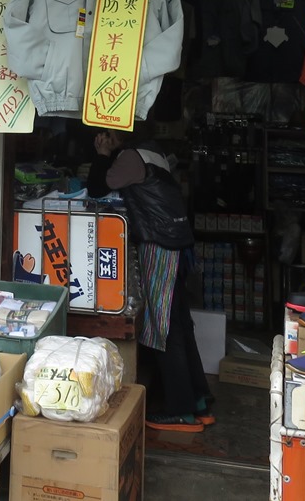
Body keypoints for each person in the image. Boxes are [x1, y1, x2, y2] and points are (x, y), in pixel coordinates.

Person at [88, 127, 212, 432]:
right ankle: (199, 400)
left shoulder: (130, 158)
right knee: (180, 324)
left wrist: (102, 155)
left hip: (161, 244)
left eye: (110, 132)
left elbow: (96, 188)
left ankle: (181, 411)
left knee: (163, 327)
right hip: (176, 242)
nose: (107, 136)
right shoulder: (152, 151)